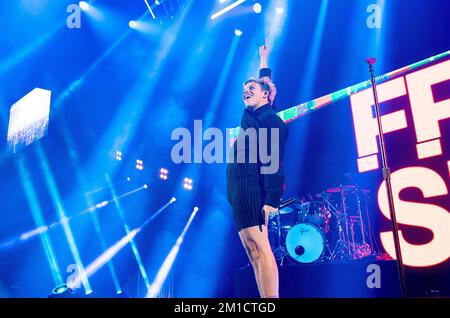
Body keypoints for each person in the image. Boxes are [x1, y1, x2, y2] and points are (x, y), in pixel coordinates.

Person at [226, 40, 288, 298]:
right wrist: (263, 61)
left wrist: (272, 199)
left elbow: (274, 160)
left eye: (250, 89)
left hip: (253, 185)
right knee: (251, 250)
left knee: (260, 247)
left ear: (265, 95)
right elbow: (265, 84)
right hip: (239, 187)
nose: (245, 92)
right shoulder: (251, 116)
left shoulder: (270, 118)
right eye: (243, 89)